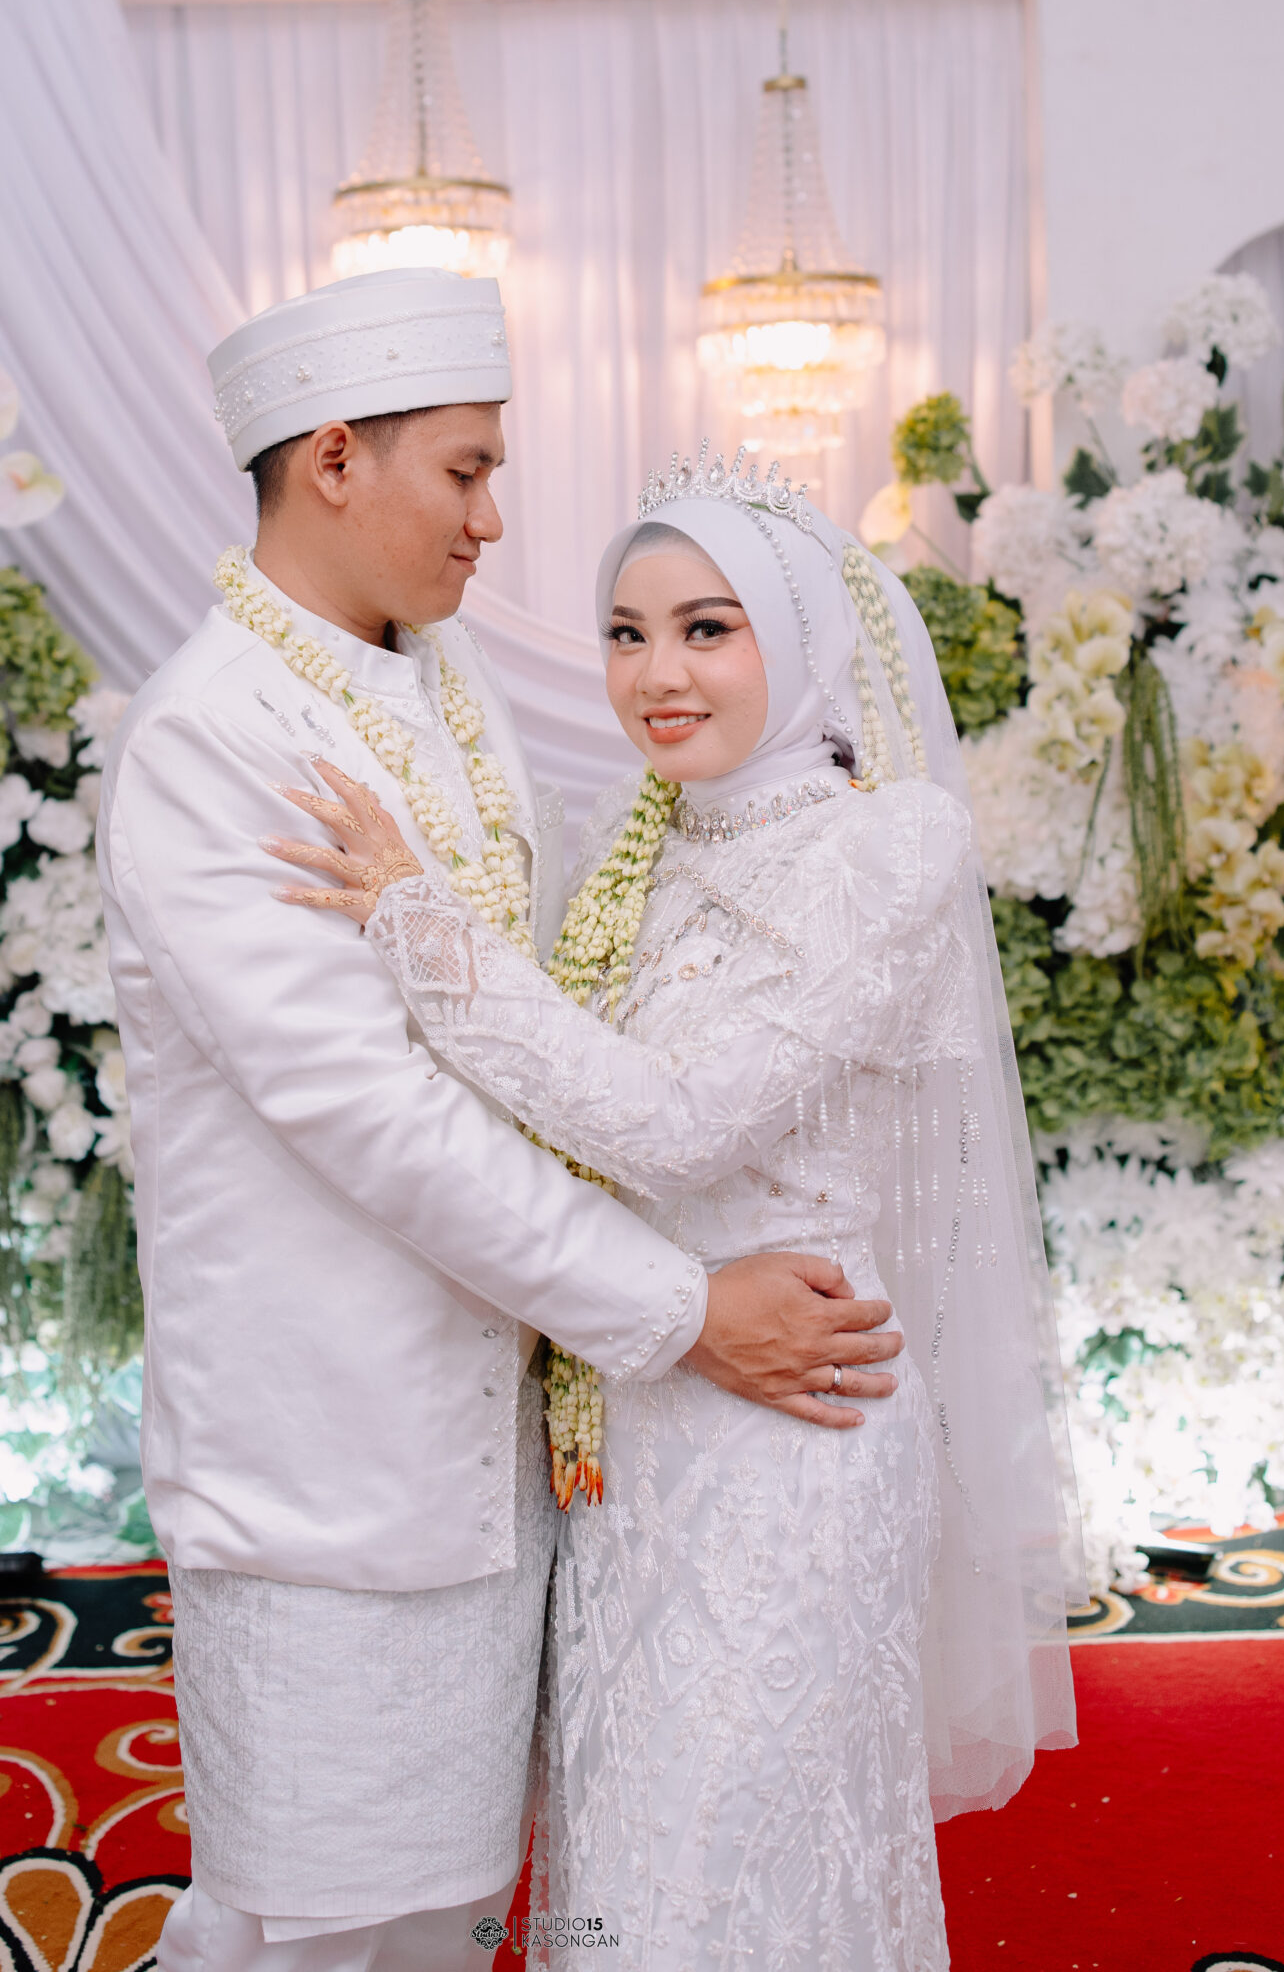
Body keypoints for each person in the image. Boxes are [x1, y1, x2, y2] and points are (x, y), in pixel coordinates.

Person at [96, 278, 911, 1972]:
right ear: (335, 459)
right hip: (334, 1455)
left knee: (450, 1921)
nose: (491, 520)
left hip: (517, 1434)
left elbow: (540, 1013)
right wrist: (682, 1311)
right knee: (306, 1924)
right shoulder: (212, 737)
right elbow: (376, 1118)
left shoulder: (438, 674)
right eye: (465, 472)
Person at [272, 445, 1082, 1971]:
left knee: (718, 1875)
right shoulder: (630, 845)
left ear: (807, 634)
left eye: (709, 628)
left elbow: (672, 1124)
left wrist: (414, 921)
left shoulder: (883, 848)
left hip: (795, 1437)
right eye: (628, 633)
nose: (658, 674)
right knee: (622, 1850)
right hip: (636, 1420)